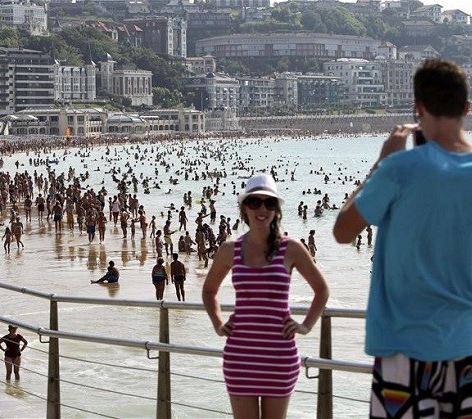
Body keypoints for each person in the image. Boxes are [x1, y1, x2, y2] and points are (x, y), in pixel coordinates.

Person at [332, 59, 472, 418]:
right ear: (467, 108)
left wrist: (381, 162)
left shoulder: (400, 169)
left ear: (418, 108)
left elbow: (343, 231)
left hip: (403, 350)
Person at [202, 173, 329, 419]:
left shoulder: (291, 248)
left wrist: (305, 326)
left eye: (269, 203)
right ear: (244, 207)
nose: (262, 209)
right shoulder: (230, 250)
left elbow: (321, 290)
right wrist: (218, 324)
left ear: (277, 209)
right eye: (255, 202)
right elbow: (209, 291)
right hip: (240, 357)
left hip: (279, 358)